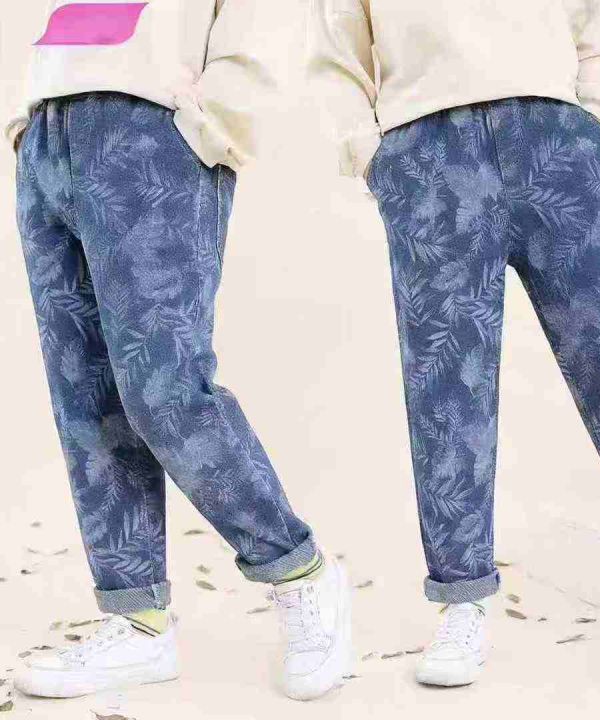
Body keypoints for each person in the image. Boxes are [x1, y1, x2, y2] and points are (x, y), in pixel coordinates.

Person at [308, 0, 600, 686]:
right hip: (427, 152)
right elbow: (336, 49)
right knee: (446, 389)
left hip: (555, 137)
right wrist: (372, 151)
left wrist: (596, 112)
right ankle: (462, 600)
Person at [8, 0, 351, 702]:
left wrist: (212, 123)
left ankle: (300, 572)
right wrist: (26, 122)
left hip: (150, 132)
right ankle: (138, 620)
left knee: (164, 390)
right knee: (86, 398)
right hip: (48, 134)